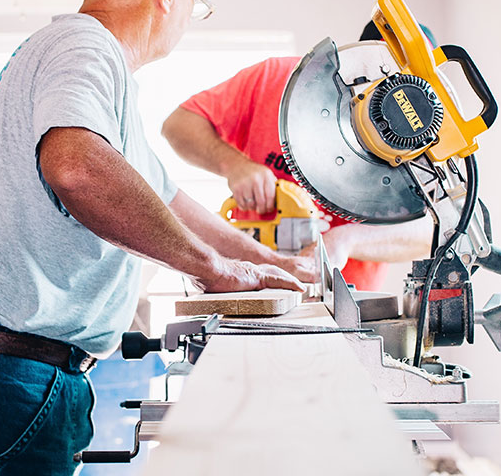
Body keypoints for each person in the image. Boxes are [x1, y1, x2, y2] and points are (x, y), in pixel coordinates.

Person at [0, 0, 315, 476]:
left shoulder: (89, 64)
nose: (194, 17)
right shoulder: (84, 47)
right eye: (200, 1)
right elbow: (75, 167)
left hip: (7, 370)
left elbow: (170, 200)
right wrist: (213, 270)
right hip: (5, 373)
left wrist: (271, 264)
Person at [161, 23, 441, 291]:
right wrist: (234, 165)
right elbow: (178, 125)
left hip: (346, 300)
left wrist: (347, 240)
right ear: (358, 54)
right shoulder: (277, 79)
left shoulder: (420, 139)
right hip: (248, 281)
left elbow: (435, 230)